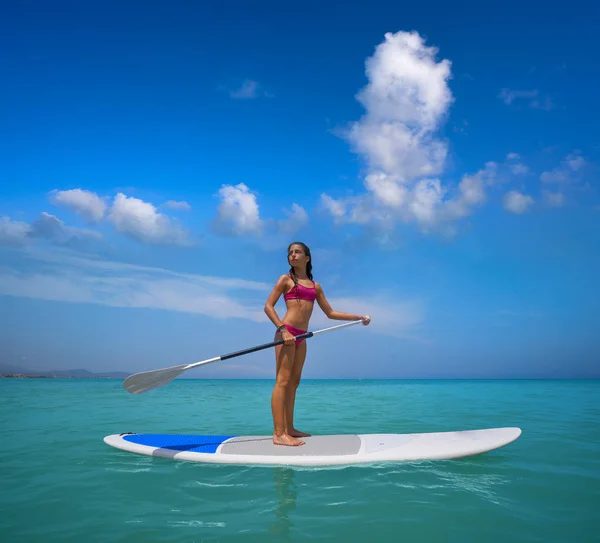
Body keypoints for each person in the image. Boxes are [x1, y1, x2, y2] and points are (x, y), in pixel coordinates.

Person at [264, 241, 371, 446]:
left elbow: (330, 313)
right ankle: (278, 434)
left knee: (294, 383)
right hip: (286, 334)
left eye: (297, 252)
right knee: (283, 381)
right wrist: (282, 329)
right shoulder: (285, 280)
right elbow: (268, 307)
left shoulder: (315, 287)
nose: (293, 255)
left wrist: (358, 317)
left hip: (302, 337)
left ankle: (289, 428)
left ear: (307, 258)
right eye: (290, 253)